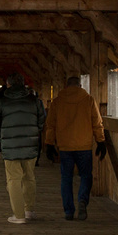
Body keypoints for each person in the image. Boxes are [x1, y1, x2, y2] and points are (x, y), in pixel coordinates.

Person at [44, 76, 106, 221]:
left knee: (66, 178)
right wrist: (101, 141)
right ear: (80, 85)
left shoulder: (57, 102)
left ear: (66, 86)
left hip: (65, 146)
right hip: (84, 145)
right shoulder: (89, 100)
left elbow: (51, 124)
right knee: (85, 176)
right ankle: (82, 200)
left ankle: (69, 211)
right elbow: (96, 123)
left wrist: (49, 143)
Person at [0, 73, 46, 224]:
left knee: (13, 179)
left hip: (10, 147)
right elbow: (42, 120)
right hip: (30, 145)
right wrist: (34, 132)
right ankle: (29, 210)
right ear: (23, 84)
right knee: (29, 177)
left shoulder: (2, 102)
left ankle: (19, 215)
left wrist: (0, 139)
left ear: (8, 85)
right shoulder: (34, 101)